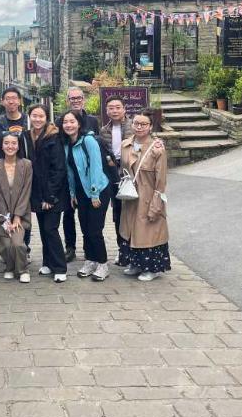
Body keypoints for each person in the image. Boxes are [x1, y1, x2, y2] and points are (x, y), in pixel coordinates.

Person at [118, 109, 171, 281]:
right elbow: (123, 169)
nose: (139, 127)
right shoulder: (126, 144)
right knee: (131, 231)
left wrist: (157, 201)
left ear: (150, 127)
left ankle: (151, 268)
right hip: (131, 196)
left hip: (148, 195)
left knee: (148, 232)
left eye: (144, 124)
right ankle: (135, 263)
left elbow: (161, 178)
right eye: (136, 123)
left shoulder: (157, 148)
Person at [60, 110, 111, 281]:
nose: (68, 125)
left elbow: (96, 167)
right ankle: (90, 260)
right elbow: (70, 172)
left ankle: (103, 264)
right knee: (85, 228)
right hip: (81, 193)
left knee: (95, 230)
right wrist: (73, 193)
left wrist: (95, 193)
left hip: (98, 190)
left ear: (79, 123)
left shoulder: (88, 140)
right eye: (65, 122)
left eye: (72, 121)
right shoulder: (66, 144)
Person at [21, 104, 68, 283]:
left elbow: (58, 169)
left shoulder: (53, 137)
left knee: (51, 229)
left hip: (53, 193)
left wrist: (50, 197)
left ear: (46, 118)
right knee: (43, 229)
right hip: (37, 192)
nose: (37, 119)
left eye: (41, 116)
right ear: (29, 117)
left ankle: (60, 267)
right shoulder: (27, 136)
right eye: (34, 116)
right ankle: (47, 262)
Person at [56, 87, 99, 264]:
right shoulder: (60, 120)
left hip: (88, 178)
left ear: (84, 99)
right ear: (67, 100)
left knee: (87, 215)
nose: (75, 101)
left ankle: (89, 248)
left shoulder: (92, 121)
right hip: (69, 175)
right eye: (72, 98)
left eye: (78, 98)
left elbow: (99, 144)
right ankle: (70, 247)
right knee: (68, 213)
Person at [0, 132, 32, 283]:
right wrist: (4, 219)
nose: (10, 146)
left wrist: (17, 216)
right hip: (1, 214)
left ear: (18, 145)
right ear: (2, 145)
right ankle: (9, 267)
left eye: (13, 143)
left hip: (20, 214)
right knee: (6, 246)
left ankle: (22, 270)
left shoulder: (26, 165)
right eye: (6, 143)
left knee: (17, 243)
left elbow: (26, 191)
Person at [100, 96, 133, 263]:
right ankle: (123, 249)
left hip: (132, 174)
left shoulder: (134, 126)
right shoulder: (104, 130)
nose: (114, 110)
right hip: (113, 174)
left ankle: (134, 248)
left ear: (124, 109)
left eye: (117, 107)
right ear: (107, 111)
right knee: (118, 213)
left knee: (132, 212)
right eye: (111, 108)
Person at [0, 87, 29, 165]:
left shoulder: (28, 122)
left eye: (14, 98)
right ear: (2, 102)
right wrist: (6, 158)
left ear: (19, 101)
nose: (11, 102)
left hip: (27, 166)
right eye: (7, 99)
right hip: (4, 166)